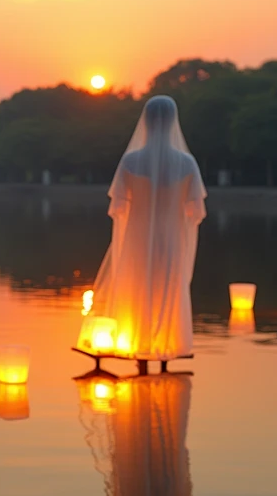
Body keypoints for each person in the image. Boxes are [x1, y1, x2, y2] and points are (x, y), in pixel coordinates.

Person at [81, 95, 207, 361]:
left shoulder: (130, 162)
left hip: (136, 238)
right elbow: (195, 212)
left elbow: (119, 210)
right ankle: (165, 347)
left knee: (136, 289)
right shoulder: (187, 164)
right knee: (167, 287)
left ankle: (137, 344)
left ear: (146, 121)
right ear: (174, 120)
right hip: (171, 237)